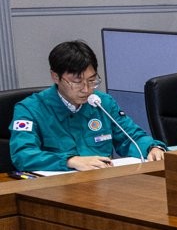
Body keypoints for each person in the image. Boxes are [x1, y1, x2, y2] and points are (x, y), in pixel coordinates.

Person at [9, 40, 166, 172]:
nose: (86, 89)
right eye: (77, 81)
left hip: (103, 185)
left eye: (91, 80)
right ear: (55, 76)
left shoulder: (102, 103)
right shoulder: (30, 109)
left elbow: (130, 137)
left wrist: (151, 148)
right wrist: (70, 161)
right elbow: (23, 155)